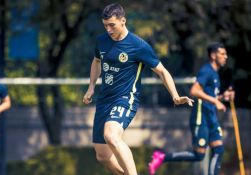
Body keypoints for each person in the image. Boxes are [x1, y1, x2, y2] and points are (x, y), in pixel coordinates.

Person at [82, 3, 194, 175]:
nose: (109, 30)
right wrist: (91, 87)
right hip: (104, 100)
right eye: (105, 26)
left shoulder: (138, 46)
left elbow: (162, 71)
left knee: (111, 135)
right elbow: (96, 61)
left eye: (112, 25)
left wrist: (176, 96)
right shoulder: (101, 41)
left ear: (123, 21)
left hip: (125, 99)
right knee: (103, 156)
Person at [148, 42, 235, 175]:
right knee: (199, 155)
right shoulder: (207, 71)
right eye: (222, 54)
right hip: (201, 118)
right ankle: (162, 157)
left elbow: (209, 96)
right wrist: (214, 101)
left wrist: (223, 97)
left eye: (226, 54)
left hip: (211, 116)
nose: (226, 56)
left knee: (218, 149)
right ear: (213, 55)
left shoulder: (215, 74)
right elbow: (194, 91)